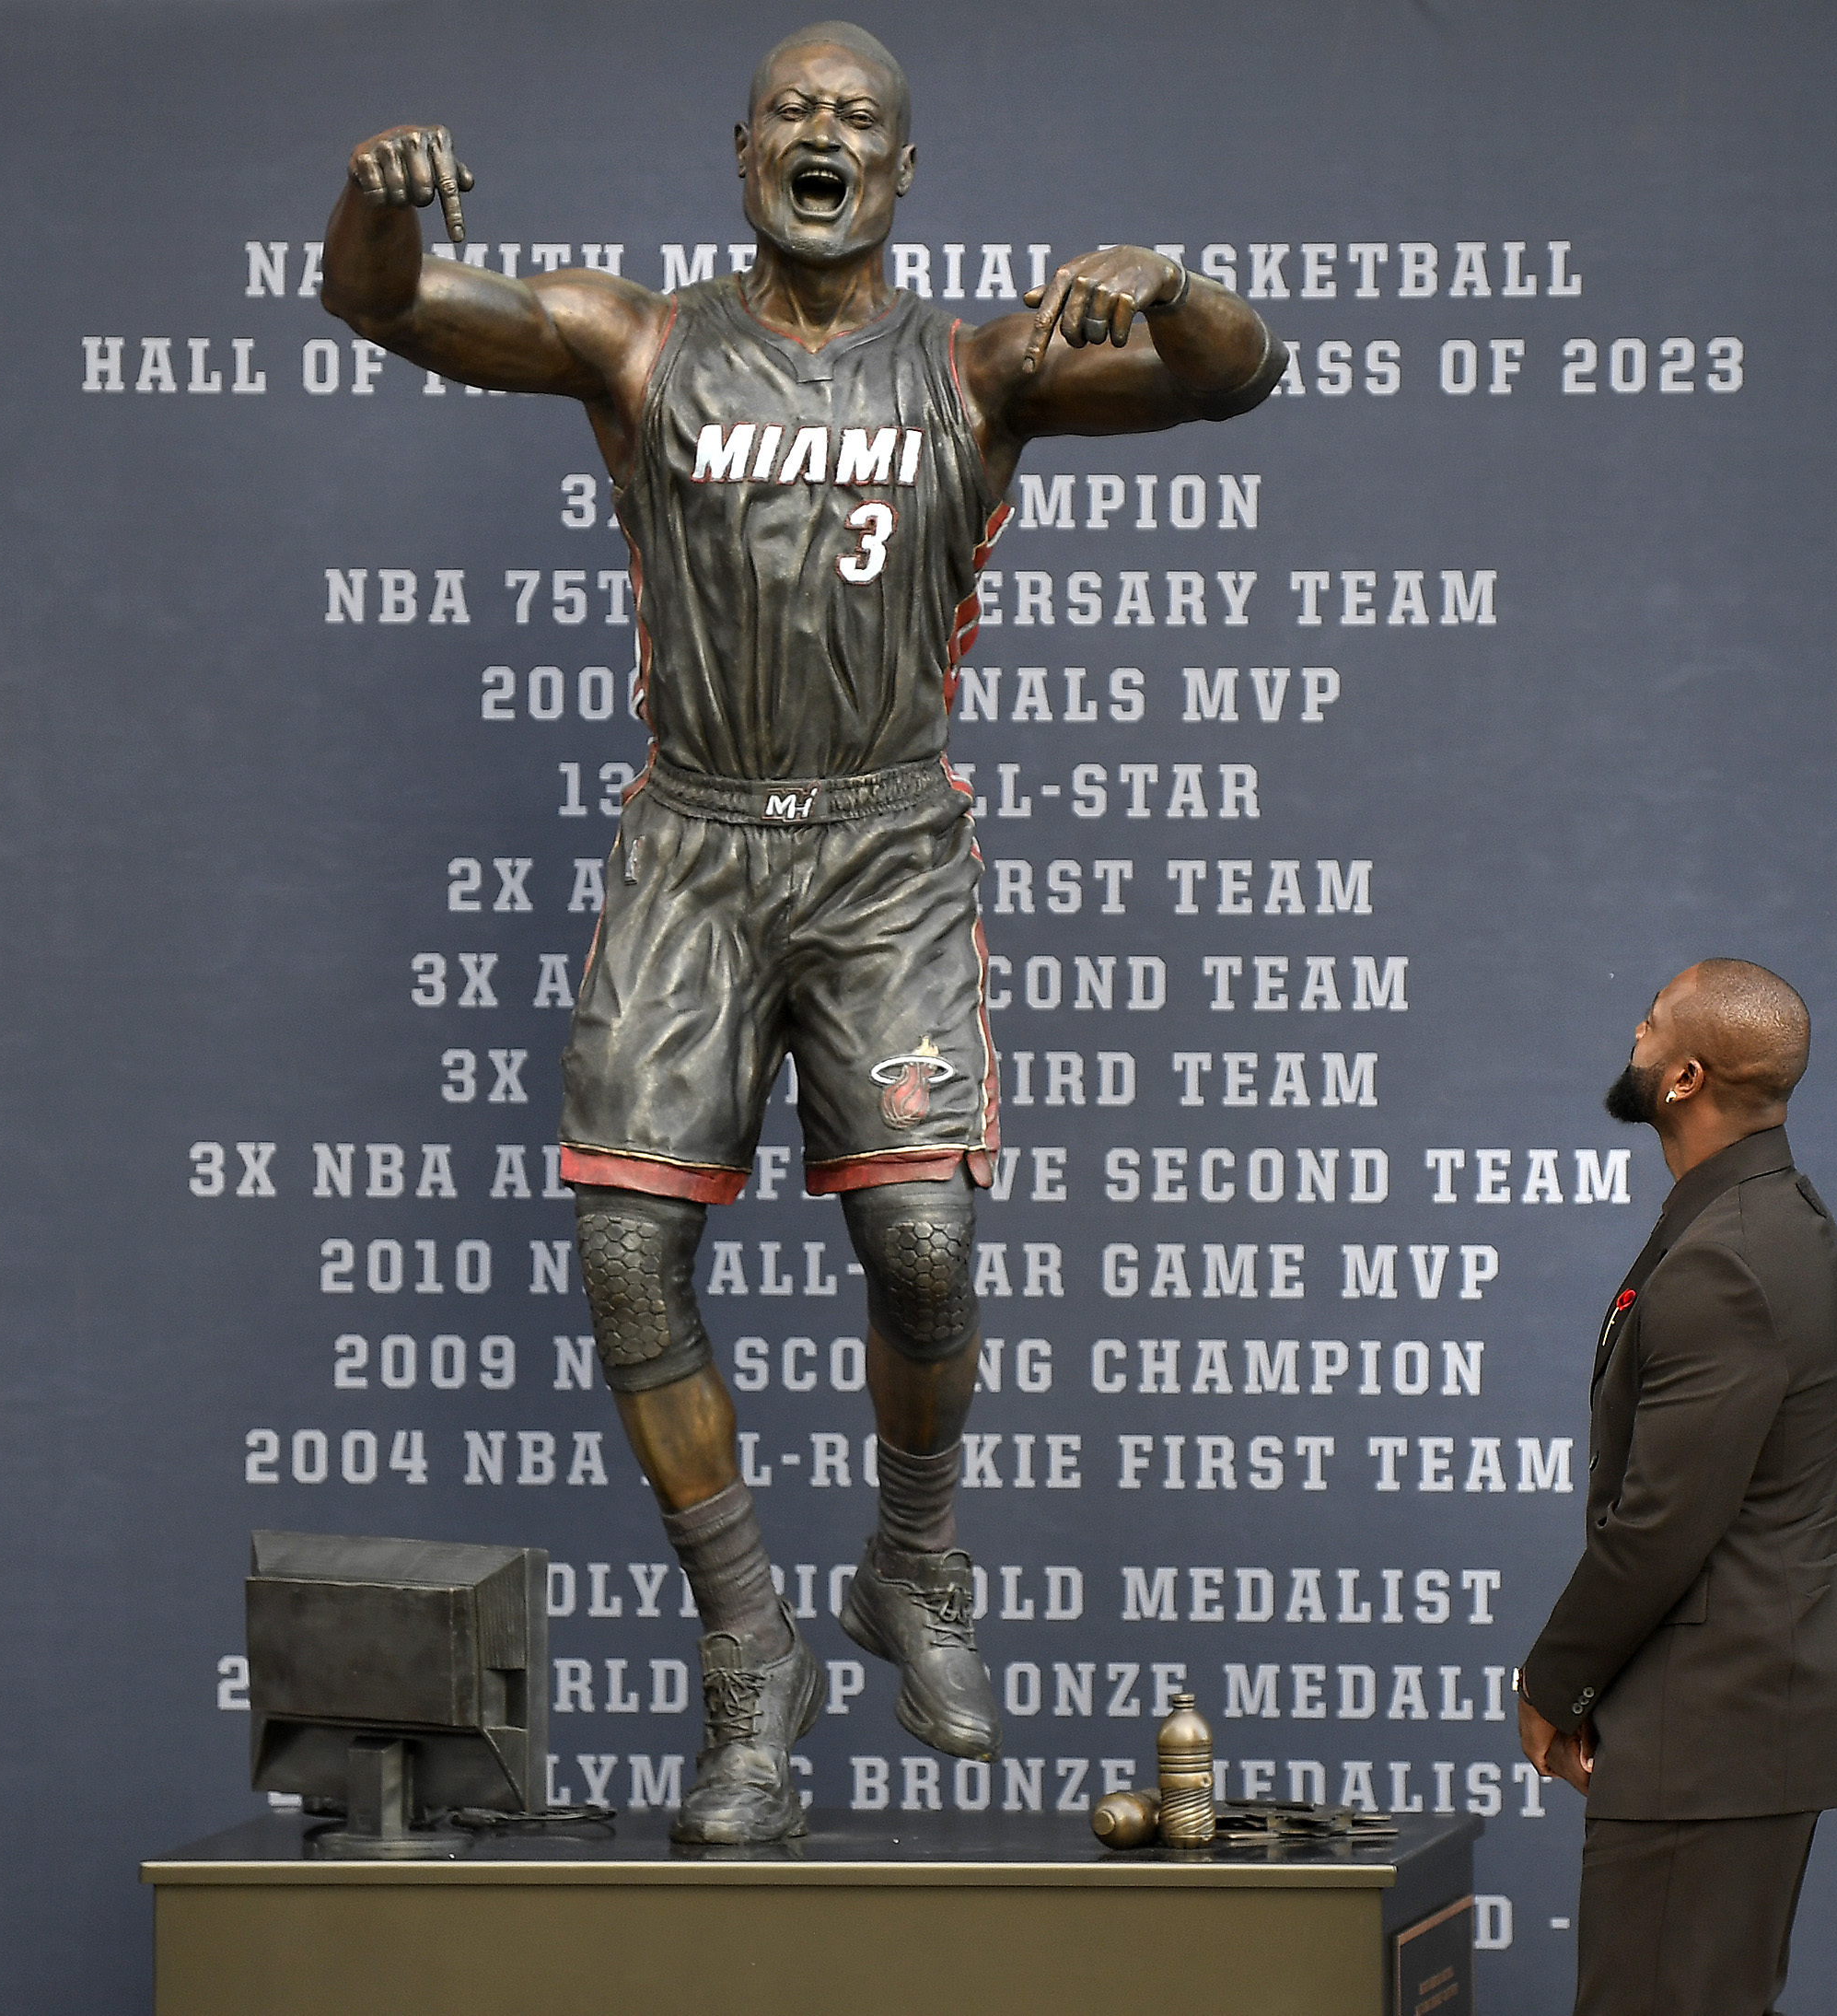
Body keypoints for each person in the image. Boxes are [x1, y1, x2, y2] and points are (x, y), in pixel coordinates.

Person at [320, 21, 1281, 1842]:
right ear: (743, 148)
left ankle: (912, 1557)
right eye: (794, 110)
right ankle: (749, 1648)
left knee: (922, 1242)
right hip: (696, 840)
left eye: (858, 118)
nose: (823, 132)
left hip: (883, 848)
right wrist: (371, 200)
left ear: (902, 173)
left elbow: (1233, 378)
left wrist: (1172, 281)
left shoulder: (980, 366)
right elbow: (381, 301)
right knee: (626, 1259)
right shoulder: (640, 342)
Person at [1517, 961, 1837, 2013]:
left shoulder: (1730, 1259)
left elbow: (1662, 1523)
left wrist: (1552, 1683)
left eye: (1652, 1022)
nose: (1634, 1031)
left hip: (1706, 1730)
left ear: (1684, 1077)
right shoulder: (1766, 1220)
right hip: (1732, 1722)